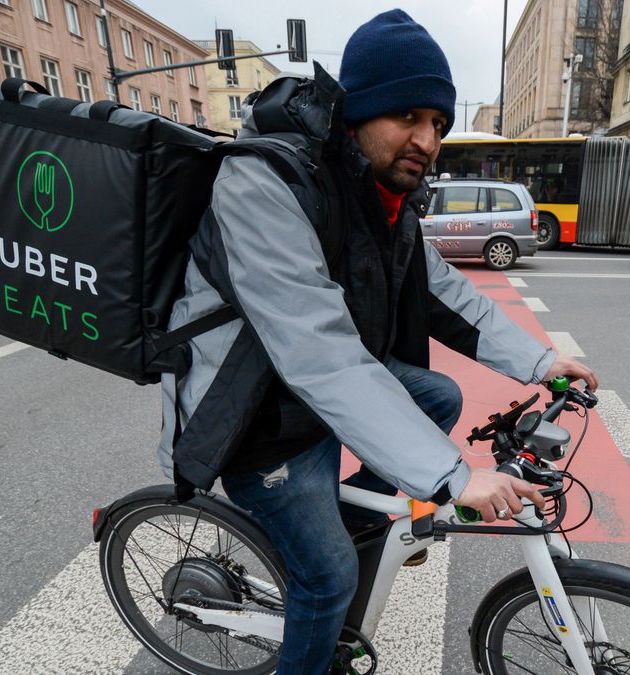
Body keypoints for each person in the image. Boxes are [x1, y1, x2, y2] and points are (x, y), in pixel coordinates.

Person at [157, 10, 597, 674]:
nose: (428, 139)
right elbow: (319, 350)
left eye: (439, 123)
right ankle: (322, 584)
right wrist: (451, 477)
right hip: (255, 412)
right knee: (328, 576)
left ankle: (350, 517)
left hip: (312, 391)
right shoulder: (266, 182)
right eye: (408, 116)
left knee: (437, 395)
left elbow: (446, 293)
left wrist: (541, 362)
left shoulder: (384, 194)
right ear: (357, 111)